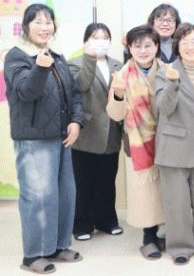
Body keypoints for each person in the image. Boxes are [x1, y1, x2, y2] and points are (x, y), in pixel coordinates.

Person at [5, 3, 84, 274]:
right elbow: (26, 92)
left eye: (48, 21)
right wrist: (39, 67)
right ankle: (33, 255)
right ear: (26, 26)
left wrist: (76, 121)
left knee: (64, 195)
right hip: (34, 139)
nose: (44, 27)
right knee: (38, 197)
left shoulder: (57, 55)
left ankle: (57, 247)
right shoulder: (16, 56)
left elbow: (73, 93)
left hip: (62, 136)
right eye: (37, 22)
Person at [155, 24, 194, 265]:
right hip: (174, 146)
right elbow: (164, 108)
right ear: (177, 46)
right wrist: (172, 83)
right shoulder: (165, 72)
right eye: (185, 42)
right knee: (177, 202)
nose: (190, 47)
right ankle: (180, 246)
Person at [107, 25, 165, 260]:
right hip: (137, 141)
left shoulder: (168, 70)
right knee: (144, 192)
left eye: (148, 45)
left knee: (165, 190)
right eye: (137, 46)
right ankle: (148, 238)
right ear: (129, 48)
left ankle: (162, 233)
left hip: (166, 140)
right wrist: (119, 94)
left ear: (157, 47)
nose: (143, 50)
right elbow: (115, 114)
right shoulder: (122, 75)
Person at [69, 23, 124, 241]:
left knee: (107, 181)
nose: (101, 41)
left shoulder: (118, 65)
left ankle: (107, 221)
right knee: (84, 183)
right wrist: (89, 58)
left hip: (112, 130)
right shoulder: (74, 63)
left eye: (105, 37)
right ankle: (82, 225)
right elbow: (81, 86)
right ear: (86, 41)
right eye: (95, 37)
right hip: (87, 131)